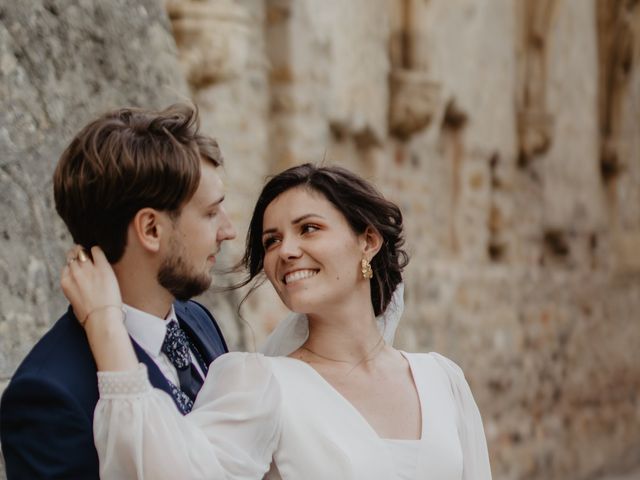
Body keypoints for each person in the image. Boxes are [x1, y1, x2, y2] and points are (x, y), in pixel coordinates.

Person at [62, 164, 492, 479]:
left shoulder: (442, 379)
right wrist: (106, 326)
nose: (285, 251)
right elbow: (167, 472)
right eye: (272, 241)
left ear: (368, 240)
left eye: (308, 229)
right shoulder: (260, 383)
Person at [0, 104, 236, 478]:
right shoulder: (49, 397)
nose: (228, 231)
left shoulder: (197, 320)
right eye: (210, 213)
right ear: (151, 230)